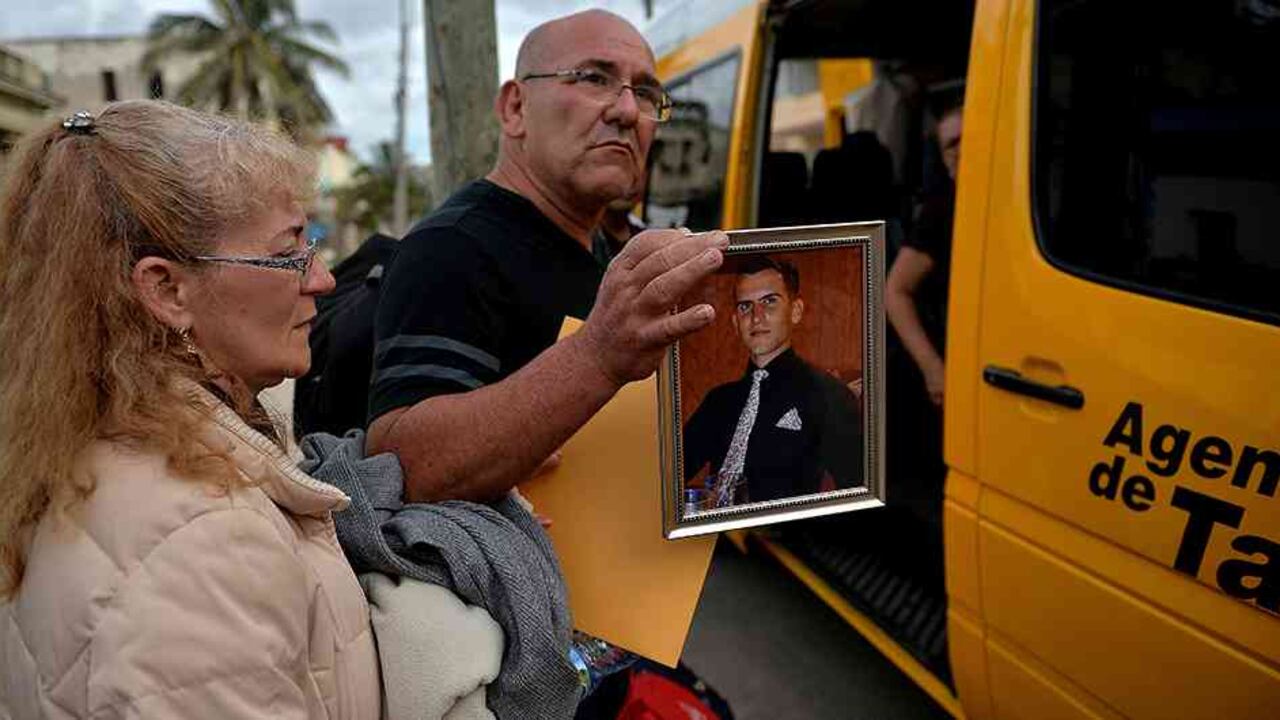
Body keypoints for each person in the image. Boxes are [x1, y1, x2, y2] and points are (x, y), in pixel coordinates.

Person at [0, 102, 379, 718]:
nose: (323, 279)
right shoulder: (204, 544)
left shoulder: (69, 447)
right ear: (167, 289)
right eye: (290, 252)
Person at [367, 10, 728, 504]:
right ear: (515, 107)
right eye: (594, 78)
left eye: (645, 92)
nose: (626, 111)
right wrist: (597, 356)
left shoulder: (610, 246)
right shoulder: (451, 248)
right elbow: (396, 466)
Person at [682, 257, 863, 506]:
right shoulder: (719, 401)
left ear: (796, 311)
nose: (757, 317)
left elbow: (856, 497)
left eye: (769, 302)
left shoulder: (829, 395)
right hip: (714, 541)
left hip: (780, 540)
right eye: (745, 306)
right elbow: (669, 474)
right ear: (735, 322)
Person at [885, 104, 962, 407]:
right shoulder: (941, 210)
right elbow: (895, 291)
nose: (961, 149)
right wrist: (933, 369)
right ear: (943, 159)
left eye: (969, 138)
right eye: (952, 144)